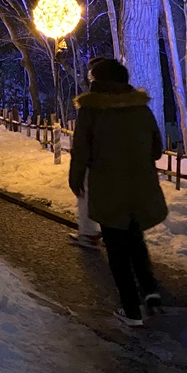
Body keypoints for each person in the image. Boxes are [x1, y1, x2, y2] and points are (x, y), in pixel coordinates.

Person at [69, 58, 167, 328]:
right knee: (136, 238)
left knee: (117, 248)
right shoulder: (140, 108)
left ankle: (131, 310)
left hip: (108, 185)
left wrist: (75, 179)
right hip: (140, 184)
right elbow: (157, 148)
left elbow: (81, 151)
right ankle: (151, 292)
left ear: (97, 81)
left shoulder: (91, 110)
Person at [69, 57, 107, 249]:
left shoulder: (90, 104)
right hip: (119, 162)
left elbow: (82, 141)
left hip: (94, 161)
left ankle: (88, 233)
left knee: (85, 195)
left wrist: (76, 170)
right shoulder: (129, 102)